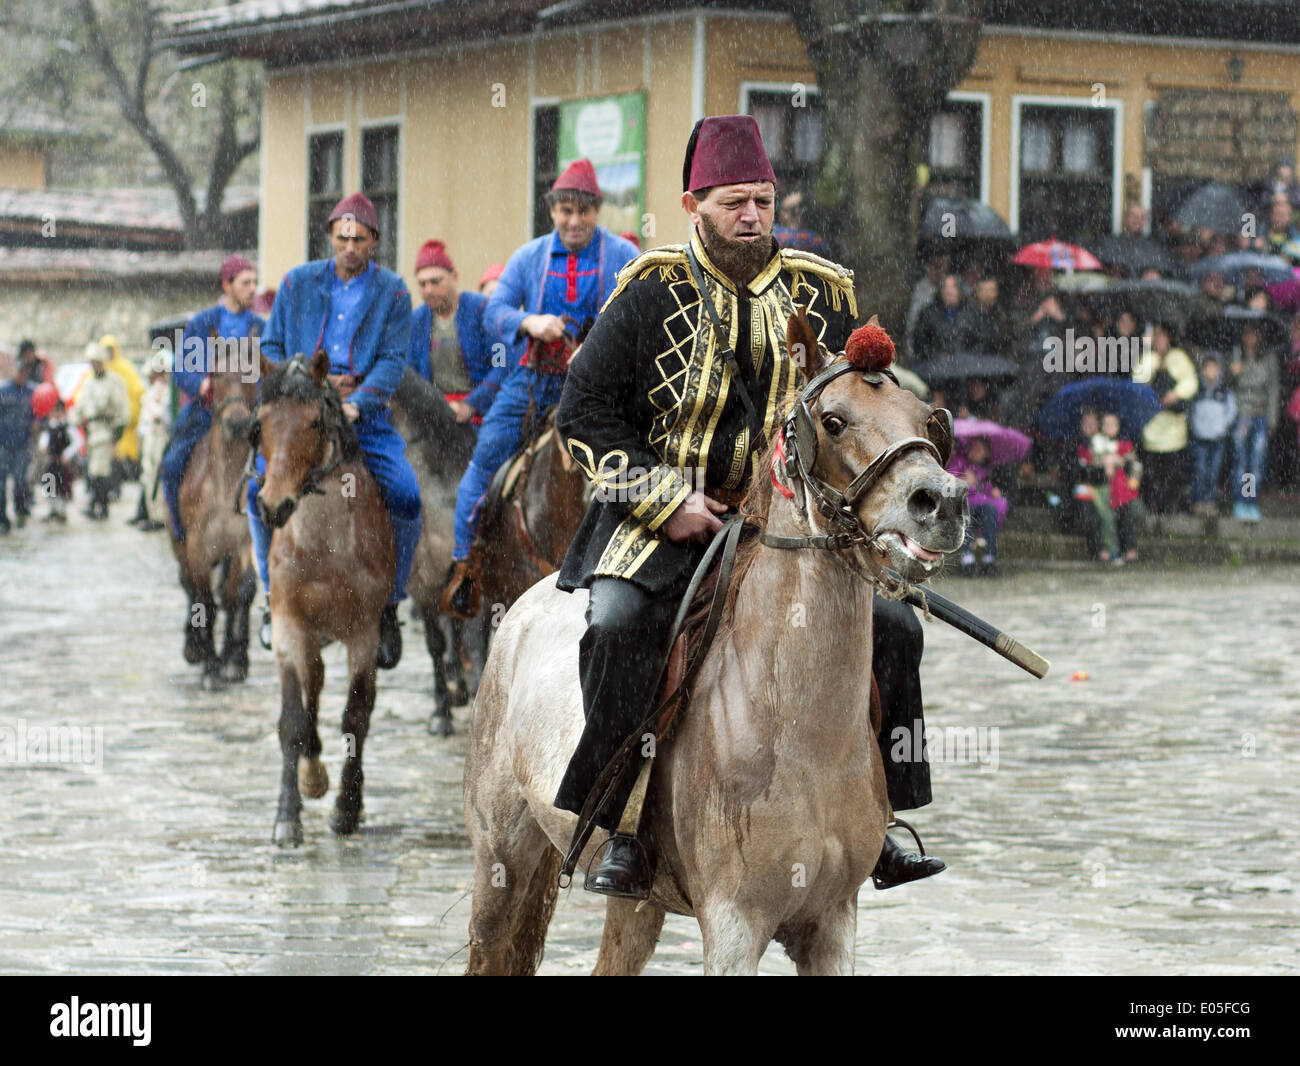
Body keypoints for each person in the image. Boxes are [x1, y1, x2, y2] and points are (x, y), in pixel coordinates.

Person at [552, 114, 945, 897]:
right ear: (693, 201)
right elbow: (583, 413)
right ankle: (622, 820)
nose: (752, 217)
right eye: (734, 201)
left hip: (796, 523)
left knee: (897, 628)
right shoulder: (646, 292)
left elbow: (855, 410)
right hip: (665, 515)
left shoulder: (822, 290)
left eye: (762, 200)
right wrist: (663, 500)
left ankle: (888, 816)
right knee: (621, 624)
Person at [441, 160, 639, 614]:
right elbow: (496, 311)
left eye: (584, 211)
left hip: (600, 391)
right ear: (552, 211)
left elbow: (642, 313)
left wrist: (599, 345)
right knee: (485, 461)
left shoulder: (623, 257)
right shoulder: (528, 258)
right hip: (532, 382)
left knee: (640, 465)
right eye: (565, 211)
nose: (574, 221)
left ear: (597, 211)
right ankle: (464, 565)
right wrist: (531, 321)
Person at [247, 192, 419, 668]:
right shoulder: (297, 282)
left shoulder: (394, 292)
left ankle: (389, 605)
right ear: (331, 237)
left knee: (406, 495)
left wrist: (361, 402)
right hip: (303, 413)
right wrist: (304, 376)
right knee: (254, 493)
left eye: (359, 239)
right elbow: (274, 344)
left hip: (363, 413)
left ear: (374, 242)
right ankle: (271, 597)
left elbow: (392, 360)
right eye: (342, 238)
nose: (349, 246)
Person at [161, 255, 264, 542]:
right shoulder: (203, 323)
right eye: (246, 283)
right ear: (227, 284)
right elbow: (181, 367)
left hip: (250, 414)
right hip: (205, 412)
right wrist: (202, 384)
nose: (253, 289)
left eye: (255, 282)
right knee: (171, 464)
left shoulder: (259, 327)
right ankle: (179, 529)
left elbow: (270, 369)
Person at [407, 239, 504, 427]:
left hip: (482, 414)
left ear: (455, 277)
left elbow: (501, 365)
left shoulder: (483, 310)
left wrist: (471, 405)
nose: (429, 290)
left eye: (436, 281)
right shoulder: (415, 321)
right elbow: (410, 373)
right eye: (422, 283)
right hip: (433, 416)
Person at [1132, 320, 1198, 514]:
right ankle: (1152, 506)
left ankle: (1169, 507)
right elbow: (1138, 381)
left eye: (1162, 336)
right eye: (1156, 336)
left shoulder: (1179, 357)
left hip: (1173, 428)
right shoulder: (1147, 358)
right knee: (1151, 472)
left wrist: (1176, 394)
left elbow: (1190, 382)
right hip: (1152, 427)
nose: (1159, 340)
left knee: (1172, 473)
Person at [1229, 321, 1280, 521]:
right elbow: (1227, 389)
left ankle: (1250, 501)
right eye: (1246, 335)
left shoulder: (1268, 359)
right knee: (1241, 462)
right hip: (1242, 415)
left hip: (1260, 415)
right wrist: (1233, 375)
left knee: (1256, 463)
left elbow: (1273, 389)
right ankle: (1240, 501)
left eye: (1253, 335)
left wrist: (1272, 419)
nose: (1249, 339)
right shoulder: (1236, 356)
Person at [1077, 411, 1143, 562]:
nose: (1110, 427)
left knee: (1127, 515)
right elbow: (1090, 465)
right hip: (1103, 488)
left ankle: (1129, 548)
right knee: (1107, 518)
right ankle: (1112, 550)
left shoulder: (1125, 445)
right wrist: (1104, 465)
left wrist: (1122, 465)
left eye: (1113, 424)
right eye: (1106, 424)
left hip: (1124, 490)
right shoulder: (1096, 444)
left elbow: (1136, 467)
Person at [76, 342, 128, 520]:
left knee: (101, 470)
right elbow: (80, 405)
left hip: (106, 429)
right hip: (92, 429)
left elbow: (121, 408)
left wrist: (117, 432)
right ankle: (96, 503)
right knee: (93, 470)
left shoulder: (113, 382)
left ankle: (101, 505)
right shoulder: (88, 382)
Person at [947, 436, 1004, 576]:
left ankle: (989, 558)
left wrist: (991, 490)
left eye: (980, 450)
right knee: (967, 513)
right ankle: (967, 559)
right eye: (973, 448)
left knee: (991, 511)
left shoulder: (983, 470)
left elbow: (986, 487)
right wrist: (963, 481)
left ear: (986, 454)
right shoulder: (959, 461)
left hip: (981, 504)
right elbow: (947, 482)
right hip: (962, 503)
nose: (975, 451)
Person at [1188, 354, 1237, 516]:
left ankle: (1210, 501)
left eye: (1214, 368)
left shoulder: (1224, 391)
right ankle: (1198, 501)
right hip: (1200, 437)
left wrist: (1223, 426)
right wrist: (1195, 427)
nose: (1211, 372)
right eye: (1207, 368)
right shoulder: (1197, 390)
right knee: (1200, 470)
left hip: (1217, 437)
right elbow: (1191, 412)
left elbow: (1231, 411)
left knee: (1213, 471)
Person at [136, 351, 172, 531]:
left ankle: (159, 515)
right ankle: (152, 513)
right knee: (148, 475)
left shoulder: (168, 392)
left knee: (159, 474)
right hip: (150, 435)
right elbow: (145, 418)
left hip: (161, 435)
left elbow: (163, 416)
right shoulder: (150, 392)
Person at [0, 359, 36, 532]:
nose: (22, 375)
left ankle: (20, 511)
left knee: (21, 480)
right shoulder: (3, 391)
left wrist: (38, 422)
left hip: (22, 443)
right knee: (1, 482)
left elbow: (41, 412)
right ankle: (2, 517)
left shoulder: (32, 392)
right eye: (19, 372)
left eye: (24, 372)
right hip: (3, 444)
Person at [912, 274, 972, 359]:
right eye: (945, 287)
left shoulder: (971, 313)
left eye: (953, 287)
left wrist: (964, 356)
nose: (949, 291)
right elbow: (919, 342)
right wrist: (936, 355)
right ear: (941, 291)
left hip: (967, 366)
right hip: (934, 366)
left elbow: (979, 341)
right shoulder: (928, 313)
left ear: (960, 291)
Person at [38, 398, 75, 523]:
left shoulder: (68, 427)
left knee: (63, 487)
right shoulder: (49, 427)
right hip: (52, 461)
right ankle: (52, 510)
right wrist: (43, 447)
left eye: (60, 411)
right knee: (50, 486)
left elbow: (77, 442)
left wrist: (67, 454)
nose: (57, 414)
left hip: (63, 463)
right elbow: (44, 440)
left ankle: (62, 511)